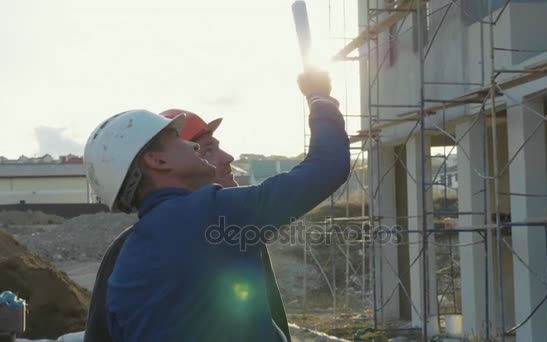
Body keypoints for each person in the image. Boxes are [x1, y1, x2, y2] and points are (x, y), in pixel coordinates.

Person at [83, 70, 349, 341]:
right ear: (157, 161)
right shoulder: (212, 215)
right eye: (180, 140)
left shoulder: (124, 265)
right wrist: (319, 97)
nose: (194, 148)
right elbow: (327, 166)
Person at [84, 109, 290, 341]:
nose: (227, 158)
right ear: (164, 163)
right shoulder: (127, 251)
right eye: (208, 150)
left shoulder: (238, 231)